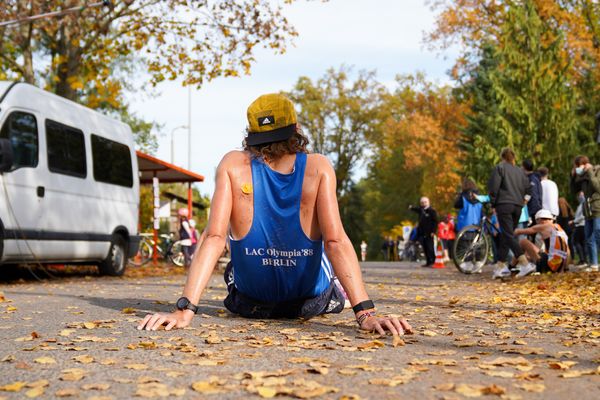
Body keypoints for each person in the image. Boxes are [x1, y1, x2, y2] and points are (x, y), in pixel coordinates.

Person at [138, 93, 411, 336]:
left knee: (235, 262)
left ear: (251, 133)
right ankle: (342, 291)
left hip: (250, 305)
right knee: (326, 253)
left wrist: (184, 310)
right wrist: (366, 314)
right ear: (296, 129)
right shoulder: (319, 167)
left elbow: (214, 237)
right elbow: (335, 241)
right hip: (309, 305)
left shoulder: (232, 165)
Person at [488, 148, 532, 279]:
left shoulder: (500, 168)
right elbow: (529, 188)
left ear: (502, 157)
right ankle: (500, 266)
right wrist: (524, 200)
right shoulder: (520, 171)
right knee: (507, 235)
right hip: (518, 206)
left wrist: (493, 203)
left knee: (507, 234)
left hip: (504, 204)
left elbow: (494, 187)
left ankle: (525, 263)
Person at [512, 209, 570, 277]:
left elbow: (518, 232)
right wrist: (565, 269)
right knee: (538, 252)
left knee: (523, 242)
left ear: (538, 220)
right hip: (559, 267)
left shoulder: (542, 226)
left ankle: (512, 267)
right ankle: (524, 265)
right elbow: (568, 251)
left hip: (549, 267)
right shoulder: (560, 229)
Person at [570, 155, 600, 272]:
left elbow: (598, 187)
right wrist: (572, 177)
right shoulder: (581, 178)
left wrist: (590, 172)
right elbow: (573, 190)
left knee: (597, 233)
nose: (577, 168)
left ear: (585, 164)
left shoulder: (597, 171)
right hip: (588, 211)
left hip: (597, 208)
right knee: (589, 238)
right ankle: (593, 264)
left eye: (578, 166)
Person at [410, 197, 438, 267]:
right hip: (422, 232)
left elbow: (435, 222)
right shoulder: (421, 210)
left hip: (429, 232)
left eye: (425, 202)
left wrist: (433, 231)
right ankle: (428, 261)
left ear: (428, 202)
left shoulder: (432, 211)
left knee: (430, 247)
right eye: (422, 202)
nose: (424, 204)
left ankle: (433, 261)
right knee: (425, 247)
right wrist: (411, 207)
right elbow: (416, 209)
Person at [556, 197, 575, 265]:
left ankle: (565, 260)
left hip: (563, 231)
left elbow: (559, 223)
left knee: (564, 246)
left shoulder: (559, 211)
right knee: (571, 245)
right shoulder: (569, 209)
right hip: (570, 230)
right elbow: (573, 218)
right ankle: (572, 259)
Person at [573, 193, 587, 266]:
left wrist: (574, 221)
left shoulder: (584, 204)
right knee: (582, 243)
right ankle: (584, 260)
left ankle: (582, 259)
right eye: (579, 195)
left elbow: (582, 216)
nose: (580, 196)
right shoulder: (580, 205)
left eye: (582, 195)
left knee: (577, 242)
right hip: (580, 225)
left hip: (581, 225)